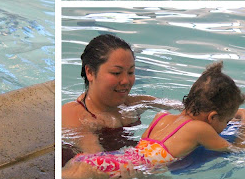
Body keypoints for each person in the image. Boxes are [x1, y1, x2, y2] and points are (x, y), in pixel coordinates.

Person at [62, 61, 245, 179]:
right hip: (124, 169)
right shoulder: (200, 129)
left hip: (104, 159)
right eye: (226, 120)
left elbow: (140, 148)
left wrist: (235, 113)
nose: (226, 125)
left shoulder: (162, 118)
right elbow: (234, 150)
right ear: (212, 117)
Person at [62, 34, 184, 166]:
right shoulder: (76, 114)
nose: (126, 81)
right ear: (90, 72)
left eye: (130, 72)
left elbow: (181, 107)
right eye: (116, 73)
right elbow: (99, 163)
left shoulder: (130, 103)